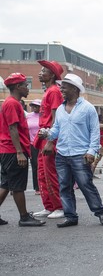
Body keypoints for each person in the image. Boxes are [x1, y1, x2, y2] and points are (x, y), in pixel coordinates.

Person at [38, 74, 103, 228]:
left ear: (75, 89)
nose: (61, 89)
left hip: (80, 154)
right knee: (64, 186)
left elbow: (95, 132)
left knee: (85, 185)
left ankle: (100, 212)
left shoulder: (88, 108)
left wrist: (91, 151)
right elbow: (56, 129)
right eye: (61, 86)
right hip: (62, 154)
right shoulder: (61, 109)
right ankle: (70, 216)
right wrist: (47, 134)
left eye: (64, 86)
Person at [0, 73, 45, 227]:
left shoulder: (12, 103)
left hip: (8, 150)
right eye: (26, 85)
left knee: (5, 184)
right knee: (18, 186)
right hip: (13, 151)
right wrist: (19, 152)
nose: (28, 88)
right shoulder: (12, 104)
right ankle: (24, 217)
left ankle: (24, 216)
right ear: (18, 87)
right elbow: (13, 128)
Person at [32, 60, 64, 220]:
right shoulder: (49, 91)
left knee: (50, 173)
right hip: (43, 136)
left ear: (52, 75)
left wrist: (51, 140)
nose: (40, 73)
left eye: (44, 70)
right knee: (42, 173)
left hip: (49, 137)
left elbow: (55, 117)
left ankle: (59, 206)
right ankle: (49, 206)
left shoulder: (54, 92)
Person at [26, 99, 41, 195]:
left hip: (43, 143)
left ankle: (46, 185)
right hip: (32, 144)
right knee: (35, 165)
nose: (34, 107)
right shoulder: (28, 116)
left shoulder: (44, 116)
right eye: (33, 105)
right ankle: (37, 187)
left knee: (44, 165)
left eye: (36, 105)